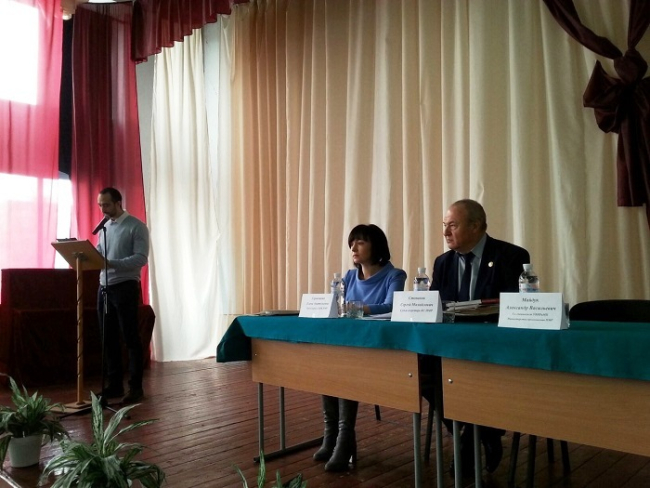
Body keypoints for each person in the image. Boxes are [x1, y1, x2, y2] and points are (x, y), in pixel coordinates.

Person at [430, 199, 530, 473]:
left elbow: (516, 308)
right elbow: (434, 308)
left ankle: (473, 436)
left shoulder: (511, 256)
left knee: (481, 374)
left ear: (475, 226)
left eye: (452, 225)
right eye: (444, 225)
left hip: (494, 347)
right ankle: (478, 430)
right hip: (452, 347)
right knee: (421, 370)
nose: (445, 232)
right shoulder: (442, 263)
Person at [314, 224, 407, 472]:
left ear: (376, 247)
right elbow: (336, 307)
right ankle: (332, 434)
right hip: (349, 346)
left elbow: (391, 306)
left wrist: (356, 307)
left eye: (361, 242)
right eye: (352, 243)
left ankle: (345, 437)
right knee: (329, 362)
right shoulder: (347, 276)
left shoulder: (395, 275)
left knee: (344, 364)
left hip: (379, 349)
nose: (353, 248)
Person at [95, 187, 149, 404]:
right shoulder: (104, 227)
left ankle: (135, 387)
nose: (103, 209)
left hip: (125, 287)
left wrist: (112, 264)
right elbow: (100, 252)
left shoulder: (136, 226)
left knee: (130, 338)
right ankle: (114, 384)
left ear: (118, 203)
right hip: (104, 287)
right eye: (100, 205)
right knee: (108, 338)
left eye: (106, 204)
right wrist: (88, 255)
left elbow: (141, 258)